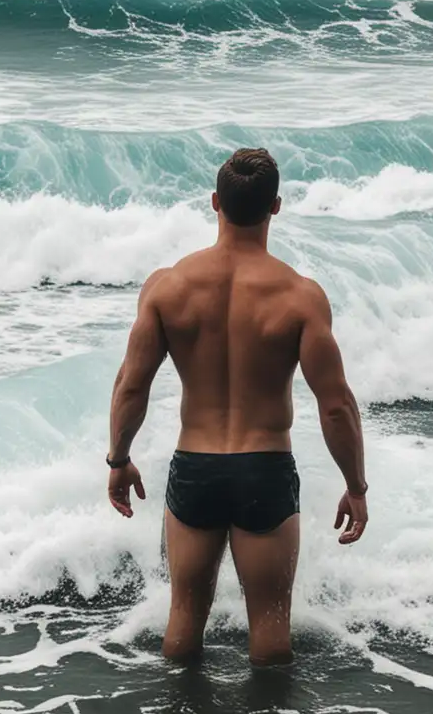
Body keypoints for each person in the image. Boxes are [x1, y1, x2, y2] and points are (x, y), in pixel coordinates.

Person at [105, 147, 369, 665]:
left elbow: (131, 386)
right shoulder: (299, 296)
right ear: (275, 207)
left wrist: (118, 459)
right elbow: (335, 405)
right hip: (265, 469)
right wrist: (356, 487)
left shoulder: (167, 287)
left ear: (214, 203)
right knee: (271, 628)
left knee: (183, 619)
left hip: (196, 466)